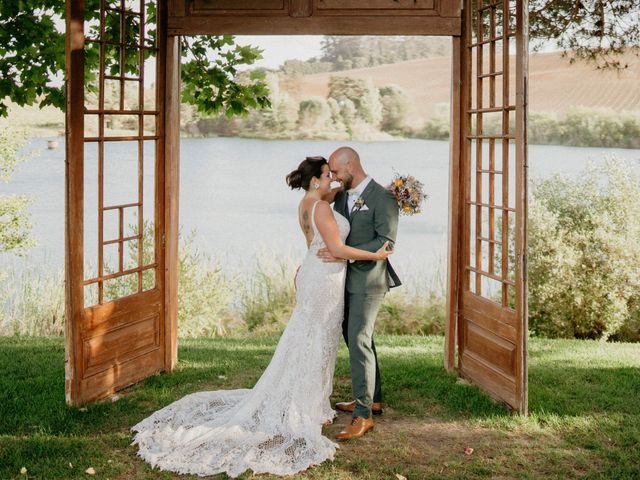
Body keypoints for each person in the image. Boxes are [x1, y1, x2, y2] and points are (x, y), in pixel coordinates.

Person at [130, 156, 392, 478]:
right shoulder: (321, 207)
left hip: (318, 273)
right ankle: (305, 406)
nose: (333, 179)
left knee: (312, 338)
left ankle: (311, 402)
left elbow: (314, 242)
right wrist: (374, 254)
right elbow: (336, 249)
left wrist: (340, 185)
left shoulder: (307, 204)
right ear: (315, 180)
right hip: (326, 278)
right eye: (327, 175)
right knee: (317, 339)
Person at [317, 146, 401, 440]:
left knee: (359, 339)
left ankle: (363, 415)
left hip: (369, 282)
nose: (336, 177)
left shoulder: (384, 198)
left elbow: (386, 243)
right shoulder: (341, 195)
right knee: (355, 338)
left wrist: (344, 255)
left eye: (337, 172)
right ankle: (371, 398)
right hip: (342, 281)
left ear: (351, 165)